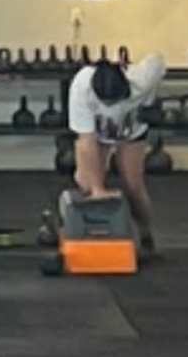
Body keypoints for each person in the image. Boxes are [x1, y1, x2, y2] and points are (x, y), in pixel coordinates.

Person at [67, 39, 164, 252]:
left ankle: (146, 234)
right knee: (85, 184)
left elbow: (157, 59)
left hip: (132, 133)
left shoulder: (141, 78)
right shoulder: (81, 88)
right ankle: (94, 238)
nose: (110, 107)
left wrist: (151, 102)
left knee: (133, 187)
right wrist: (98, 189)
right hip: (98, 135)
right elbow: (86, 141)